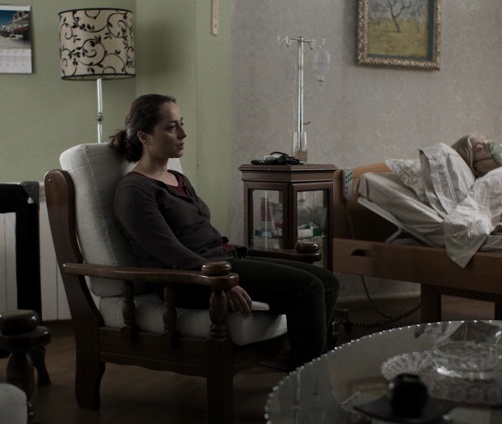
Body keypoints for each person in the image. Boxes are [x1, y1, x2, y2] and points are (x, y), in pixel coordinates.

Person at [109, 94, 339, 370]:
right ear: (144, 137)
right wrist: (222, 280)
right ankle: (308, 382)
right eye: (171, 127)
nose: (183, 133)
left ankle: (306, 368)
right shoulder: (134, 190)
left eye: (181, 123)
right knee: (309, 288)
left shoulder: (177, 178)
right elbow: (169, 251)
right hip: (192, 279)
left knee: (327, 281)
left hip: (222, 262)